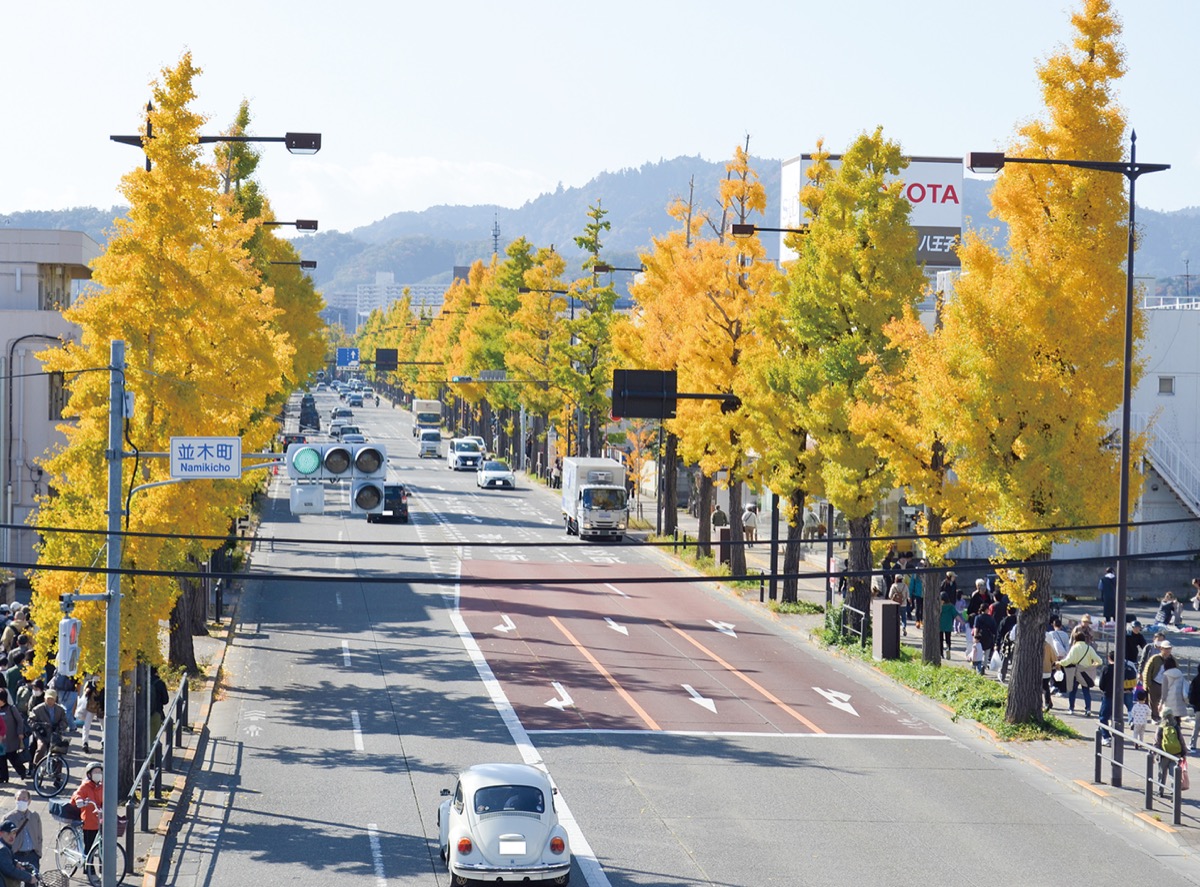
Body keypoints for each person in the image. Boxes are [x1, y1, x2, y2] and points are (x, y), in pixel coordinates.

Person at [1056, 626, 1101, 716]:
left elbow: (1068, 660)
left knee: (1073, 691)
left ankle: (1071, 708)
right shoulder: (1089, 648)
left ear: (1075, 639)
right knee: (1086, 692)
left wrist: (1059, 662)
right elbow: (1100, 661)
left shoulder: (1074, 648)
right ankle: (1088, 709)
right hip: (1085, 672)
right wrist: (1092, 666)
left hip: (1075, 672)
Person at [2, 790, 42, 875]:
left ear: (29, 801)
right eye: (18, 799)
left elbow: (39, 836)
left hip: (33, 856)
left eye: (24, 799)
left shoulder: (34, 816)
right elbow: (3, 839)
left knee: (33, 881)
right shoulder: (8, 818)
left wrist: (38, 853)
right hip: (17, 856)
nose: (21, 801)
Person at [29, 688, 68, 766]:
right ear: (44, 699)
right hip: (41, 733)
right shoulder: (37, 709)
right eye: (48, 699)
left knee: (58, 751)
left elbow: (65, 722)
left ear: (55, 699)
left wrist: (60, 726)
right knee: (41, 748)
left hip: (54, 733)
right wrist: (38, 727)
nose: (50, 701)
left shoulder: (60, 710)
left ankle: (57, 773)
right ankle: (35, 767)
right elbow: (30, 721)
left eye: (52, 699)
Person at [72, 761, 104, 853]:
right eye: (95, 772)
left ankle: (102, 866)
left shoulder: (103, 787)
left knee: (102, 847)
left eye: (99, 772)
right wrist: (79, 800)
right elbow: (77, 794)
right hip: (89, 822)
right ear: (89, 775)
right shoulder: (85, 786)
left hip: (100, 821)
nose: (98, 774)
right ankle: (89, 867)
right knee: (89, 848)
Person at [1154, 709, 1187, 795]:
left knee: (1161, 774)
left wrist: (1155, 754)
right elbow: (1181, 740)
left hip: (1163, 754)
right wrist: (1184, 753)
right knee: (1174, 775)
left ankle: (1160, 791)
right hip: (1176, 754)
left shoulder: (1160, 727)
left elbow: (1157, 742)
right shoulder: (1176, 727)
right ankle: (1174, 791)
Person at [0, 689, 27, 782]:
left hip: (12, 739)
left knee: (13, 758)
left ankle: (22, 771)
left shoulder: (11, 708)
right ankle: (3, 777)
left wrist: (20, 732)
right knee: (1, 759)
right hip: (1, 740)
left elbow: (20, 721)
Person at [1142, 639, 1170, 722]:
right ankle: (1155, 716)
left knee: (1166, 701)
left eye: (1169, 649)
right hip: (1154, 683)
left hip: (1166, 684)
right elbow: (1147, 671)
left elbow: (1176, 669)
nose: (1168, 651)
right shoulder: (1155, 658)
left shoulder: (1172, 659)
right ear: (1161, 649)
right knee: (1154, 702)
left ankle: (1165, 716)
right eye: (1166, 648)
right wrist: (1146, 684)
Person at [0, 820, 35, 885]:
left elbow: (6, 861)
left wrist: (16, 863)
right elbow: (10, 871)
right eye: (8, 833)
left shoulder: (5, 846)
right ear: (1, 834)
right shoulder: (2, 849)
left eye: (14, 833)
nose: (12, 836)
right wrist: (29, 878)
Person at [1098, 651, 1118, 745]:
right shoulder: (1122, 668)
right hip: (1119, 696)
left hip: (1108, 694)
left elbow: (1101, 684)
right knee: (1115, 717)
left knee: (1103, 717)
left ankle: (1106, 736)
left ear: (1108, 658)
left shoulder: (1106, 668)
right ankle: (1114, 735)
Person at [1161, 653, 1188, 719]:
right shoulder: (1180, 673)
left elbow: (1164, 691)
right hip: (1180, 700)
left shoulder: (1166, 675)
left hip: (1169, 701)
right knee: (1178, 720)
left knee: (1169, 721)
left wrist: (1161, 703)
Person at [150, 668, 170, 739]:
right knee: (154, 739)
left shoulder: (141, 681)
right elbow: (165, 701)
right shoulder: (160, 683)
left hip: (142, 714)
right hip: (156, 713)